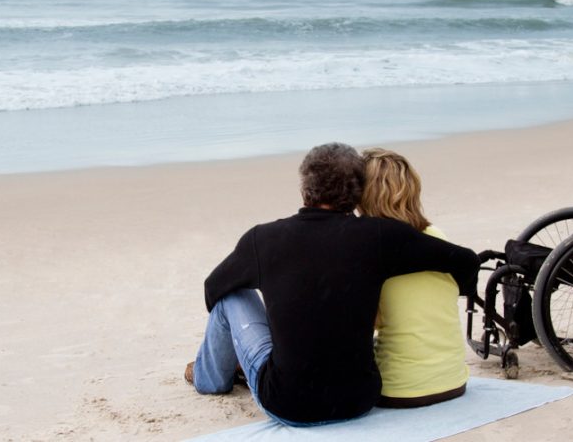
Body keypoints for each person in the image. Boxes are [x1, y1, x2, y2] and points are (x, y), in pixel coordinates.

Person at [185, 142, 479, 426]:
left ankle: (208, 379)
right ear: (355, 193)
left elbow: (213, 289)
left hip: (288, 404)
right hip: (358, 401)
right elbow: (465, 260)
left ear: (305, 188)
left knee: (232, 297)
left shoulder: (263, 239)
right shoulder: (381, 235)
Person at [357, 148, 469, 408]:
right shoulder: (437, 237)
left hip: (397, 390)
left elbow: (367, 321)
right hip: (453, 381)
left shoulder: (369, 250)